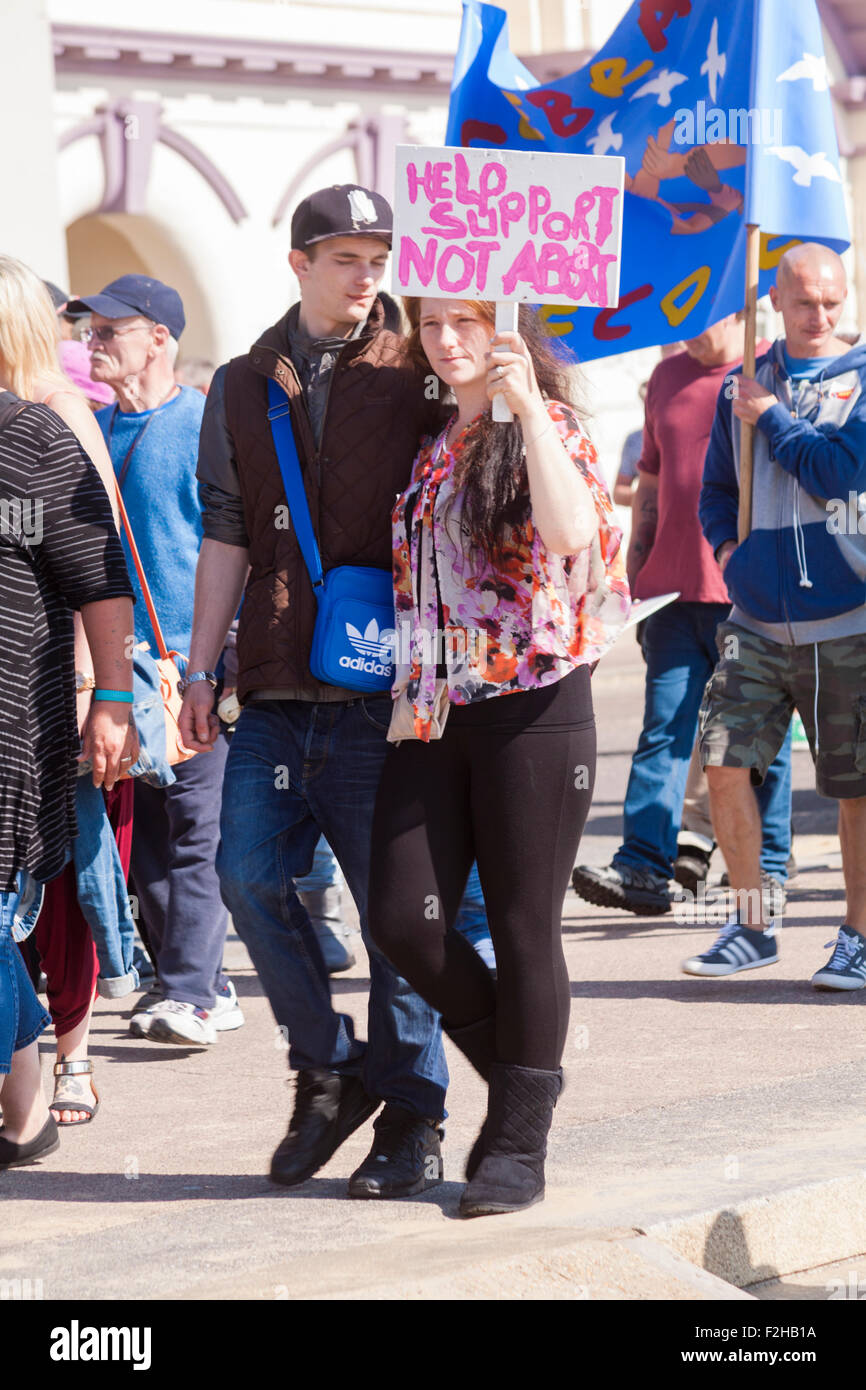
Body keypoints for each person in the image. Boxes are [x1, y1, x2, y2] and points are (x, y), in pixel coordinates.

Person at [180, 184, 448, 1198]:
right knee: (246, 875)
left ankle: (413, 1119)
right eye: (344, 255)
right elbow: (224, 532)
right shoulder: (244, 383)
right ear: (298, 262)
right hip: (279, 681)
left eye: (377, 254)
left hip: (392, 691)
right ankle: (327, 1064)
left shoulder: (422, 363)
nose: (366, 271)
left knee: (396, 917)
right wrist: (200, 670)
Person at [367, 297, 629, 1217]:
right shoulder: (439, 439)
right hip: (437, 710)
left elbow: (570, 538)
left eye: (467, 323)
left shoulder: (543, 426)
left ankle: (518, 1141)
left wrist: (529, 415)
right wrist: (409, 694)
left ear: (505, 330)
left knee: (524, 928)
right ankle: (527, 1078)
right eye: (433, 325)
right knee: (403, 916)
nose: (447, 341)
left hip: (535, 706)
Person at [65, 275, 244, 1046]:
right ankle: (207, 982)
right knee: (153, 845)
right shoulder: (92, 431)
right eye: (91, 330)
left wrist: (223, 655)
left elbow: (236, 545)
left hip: (190, 666)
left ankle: (190, 994)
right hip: (118, 673)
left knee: (195, 829)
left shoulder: (207, 425)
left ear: (160, 339)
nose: (92, 342)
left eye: (110, 330)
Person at [682, 242, 866, 985]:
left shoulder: (861, 378)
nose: (819, 315)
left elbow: (841, 473)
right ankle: (753, 924)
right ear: (776, 304)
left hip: (849, 619)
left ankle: (857, 938)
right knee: (725, 765)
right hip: (755, 620)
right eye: (803, 302)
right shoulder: (744, 385)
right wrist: (730, 553)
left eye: (831, 301)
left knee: (855, 789)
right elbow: (714, 489)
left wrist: (775, 421)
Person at [572, 317, 792, 917]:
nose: (688, 331)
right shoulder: (667, 375)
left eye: (704, 316)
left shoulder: (775, 368)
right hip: (670, 596)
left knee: (758, 740)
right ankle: (643, 867)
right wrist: (633, 575)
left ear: (739, 308)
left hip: (749, 593)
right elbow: (649, 485)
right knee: (663, 732)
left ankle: (768, 868)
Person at [0, 256, 131, 1125]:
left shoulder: (38, 429)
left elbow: (99, 567)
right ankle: (28, 1106)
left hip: (21, 716)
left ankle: (45, 1086)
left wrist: (108, 692)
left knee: (56, 898)